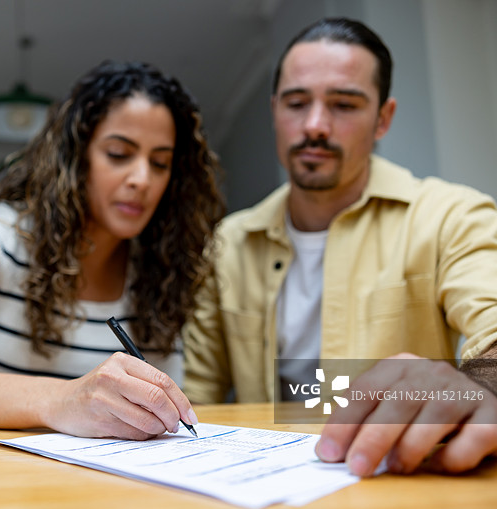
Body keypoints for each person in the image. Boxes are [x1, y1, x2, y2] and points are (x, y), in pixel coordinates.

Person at [183, 18, 497, 477]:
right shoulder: (228, 244)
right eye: (296, 103)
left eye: (344, 104)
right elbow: (198, 397)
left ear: (383, 119)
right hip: (261, 486)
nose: (314, 125)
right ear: (274, 111)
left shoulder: (452, 215)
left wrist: (475, 386)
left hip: (395, 479)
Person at [0, 60, 225, 440]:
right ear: (76, 159)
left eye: (160, 163)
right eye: (118, 154)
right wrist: (64, 398)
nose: (142, 179)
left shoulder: (162, 273)